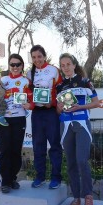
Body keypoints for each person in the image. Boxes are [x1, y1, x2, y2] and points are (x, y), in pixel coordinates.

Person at [56, 53, 99, 205]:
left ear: (74, 65)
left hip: (82, 124)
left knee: (82, 160)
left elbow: (96, 103)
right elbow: (58, 110)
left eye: (68, 64)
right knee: (71, 163)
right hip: (65, 126)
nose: (66, 67)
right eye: (63, 65)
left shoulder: (85, 82)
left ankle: (88, 195)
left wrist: (79, 107)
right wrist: (59, 107)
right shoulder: (59, 86)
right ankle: (76, 197)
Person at [0, 53, 35, 193]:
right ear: (9, 66)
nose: (15, 67)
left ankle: (13, 178)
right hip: (4, 120)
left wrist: (29, 105)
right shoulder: (1, 81)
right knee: (5, 151)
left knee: (16, 151)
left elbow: (32, 99)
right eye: (12, 65)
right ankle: (5, 181)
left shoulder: (27, 81)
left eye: (18, 64)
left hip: (19, 118)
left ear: (22, 66)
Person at [26, 45, 63, 189]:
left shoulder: (54, 70)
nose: (37, 60)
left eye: (39, 56)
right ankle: (40, 176)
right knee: (38, 146)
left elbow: (60, 90)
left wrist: (52, 103)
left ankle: (56, 178)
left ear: (44, 56)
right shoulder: (30, 73)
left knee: (54, 145)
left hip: (51, 112)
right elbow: (28, 93)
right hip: (37, 113)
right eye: (34, 57)